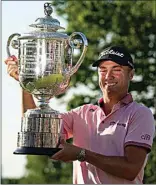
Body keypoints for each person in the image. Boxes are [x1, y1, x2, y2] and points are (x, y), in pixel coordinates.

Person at [5, 45, 155, 184]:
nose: (108, 75)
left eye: (117, 69)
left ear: (131, 74)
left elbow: (131, 169)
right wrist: (25, 84)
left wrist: (81, 154)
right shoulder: (82, 113)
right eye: (102, 70)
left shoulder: (140, 114)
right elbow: (36, 133)